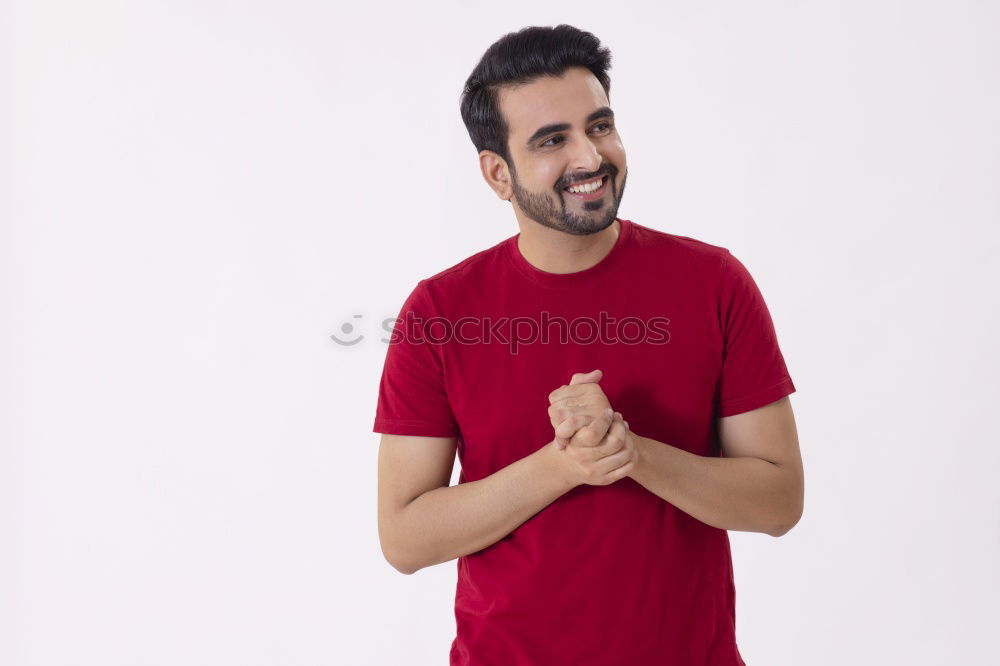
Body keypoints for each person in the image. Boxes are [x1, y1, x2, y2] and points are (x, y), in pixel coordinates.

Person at [373, 24, 803, 666]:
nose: (589, 157)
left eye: (599, 126)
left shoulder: (714, 283)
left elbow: (779, 501)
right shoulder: (440, 313)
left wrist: (633, 453)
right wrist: (561, 465)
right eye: (553, 140)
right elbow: (405, 538)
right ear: (498, 173)